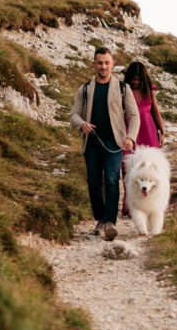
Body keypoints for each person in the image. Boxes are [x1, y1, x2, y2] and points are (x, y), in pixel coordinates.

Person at [70, 47, 140, 241]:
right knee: (94, 183)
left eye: (107, 62)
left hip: (115, 143)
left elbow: (134, 116)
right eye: (99, 63)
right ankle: (100, 219)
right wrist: (81, 123)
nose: (103, 66)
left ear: (113, 64)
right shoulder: (84, 89)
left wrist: (130, 138)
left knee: (111, 180)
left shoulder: (122, 88)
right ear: (94, 64)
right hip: (91, 142)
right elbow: (74, 114)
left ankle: (110, 223)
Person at [121, 60, 165, 216]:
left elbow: (155, 111)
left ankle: (150, 205)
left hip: (148, 130)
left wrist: (162, 129)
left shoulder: (149, 90)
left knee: (151, 167)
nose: (136, 82)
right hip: (131, 129)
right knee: (129, 166)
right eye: (133, 79)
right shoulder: (123, 90)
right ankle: (129, 206)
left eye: (139, 79)